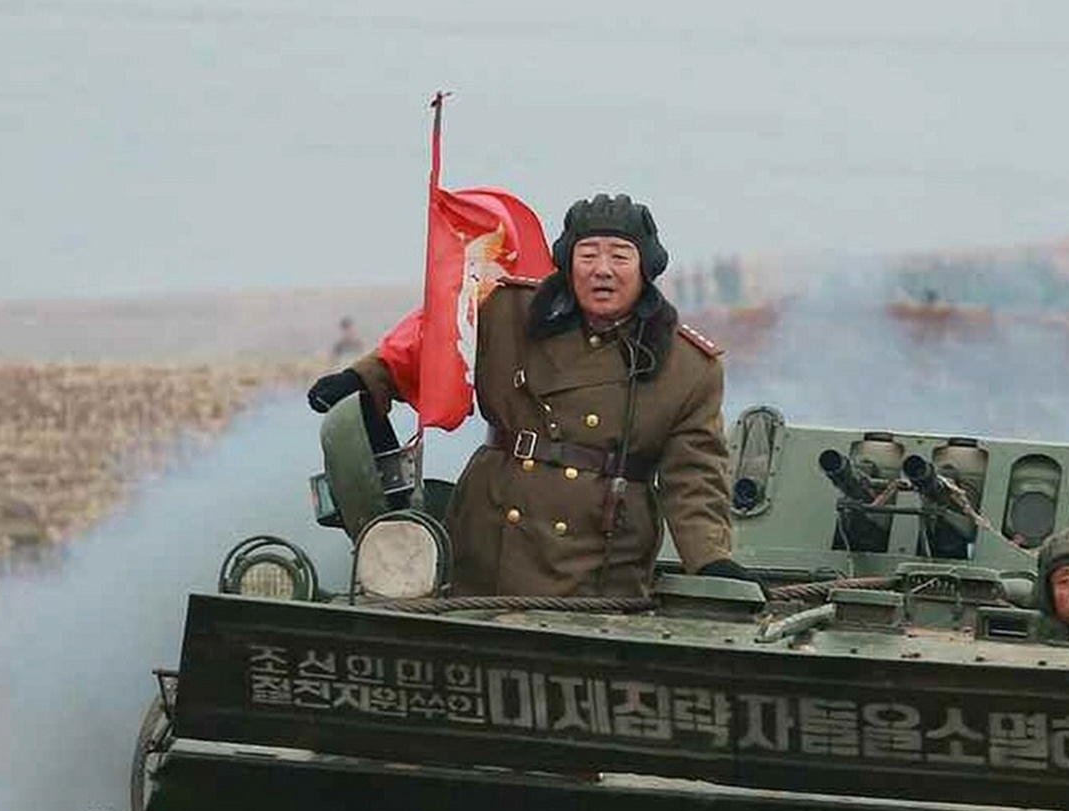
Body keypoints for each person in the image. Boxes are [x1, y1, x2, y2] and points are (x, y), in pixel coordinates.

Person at [305, 193, 743, 598]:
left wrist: (711, 559)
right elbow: (438, 343)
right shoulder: (508, 312)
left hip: (601, 562)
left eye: (620, 256)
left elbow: (694, 477)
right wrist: (367, 379)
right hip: (492, 534)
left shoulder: (687, 367)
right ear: (567, 263)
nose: (602, 269)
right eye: (588, 255)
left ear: (646, 267)